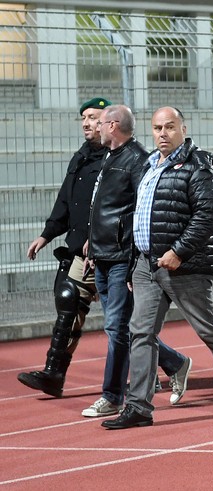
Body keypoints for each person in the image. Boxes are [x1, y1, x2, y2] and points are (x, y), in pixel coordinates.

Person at [102, 107, 213, 429]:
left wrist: (178, 252)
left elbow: (207, 216)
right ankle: (139, 407)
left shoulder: (198, 166)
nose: (162, 133)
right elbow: (140, 218)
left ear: (183, 129)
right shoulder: (149, 166)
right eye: (157, 128)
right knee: (141, 333)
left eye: (169, 127)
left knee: (207, 329)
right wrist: (135, 263)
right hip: (147, 266)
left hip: (183, 266)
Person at [81, 104, 192, 418]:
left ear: (113, 125)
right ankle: (174, 363)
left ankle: (112, 396)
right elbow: (104, 207)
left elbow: (140, 213)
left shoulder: (137, 160)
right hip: (103, 254)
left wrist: (132, 260)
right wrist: (93, 240)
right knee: (127, 329)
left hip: (121, 257)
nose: (94, 127)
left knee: (118, 329)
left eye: (99, 122)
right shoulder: (109, 157)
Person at [17, 97, 109, 397]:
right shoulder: (80, 157)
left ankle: (170, 365)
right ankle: (54, 374)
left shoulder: (116, 159)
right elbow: (65, 202)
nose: (86, 122)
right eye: (83, 117)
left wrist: (95, 239)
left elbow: (117, 209)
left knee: (124, 321)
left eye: (93, 117)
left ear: (109, 121)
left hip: (107, 250)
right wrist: (46, 235)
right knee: (69, 302)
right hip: (78, 249)